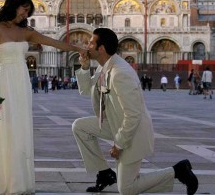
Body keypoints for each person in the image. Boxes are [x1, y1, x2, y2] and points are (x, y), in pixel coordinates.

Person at [0, 0, 85, 195]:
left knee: (21, 126)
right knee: (6, 126)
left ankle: (20, 180)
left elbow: (54, 43)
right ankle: (4, 180)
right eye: (24, 9)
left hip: (22, 79)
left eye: (28, 11)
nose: (26, 13)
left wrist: (78, 48)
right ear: (13, 6)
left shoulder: (27, 31)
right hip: (4, 79)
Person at [72, 28, 198, 195]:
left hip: (132, 132)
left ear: (101, 48)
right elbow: (86, 90)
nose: (87, 45)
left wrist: (119, 144)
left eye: (91, 42)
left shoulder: (119, 73)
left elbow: (133, 115)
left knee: (126, 189)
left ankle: (177, 171)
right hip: (114, 123)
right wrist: (85, 67)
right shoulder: (104, 67)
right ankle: (104, 173)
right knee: (79, 127)